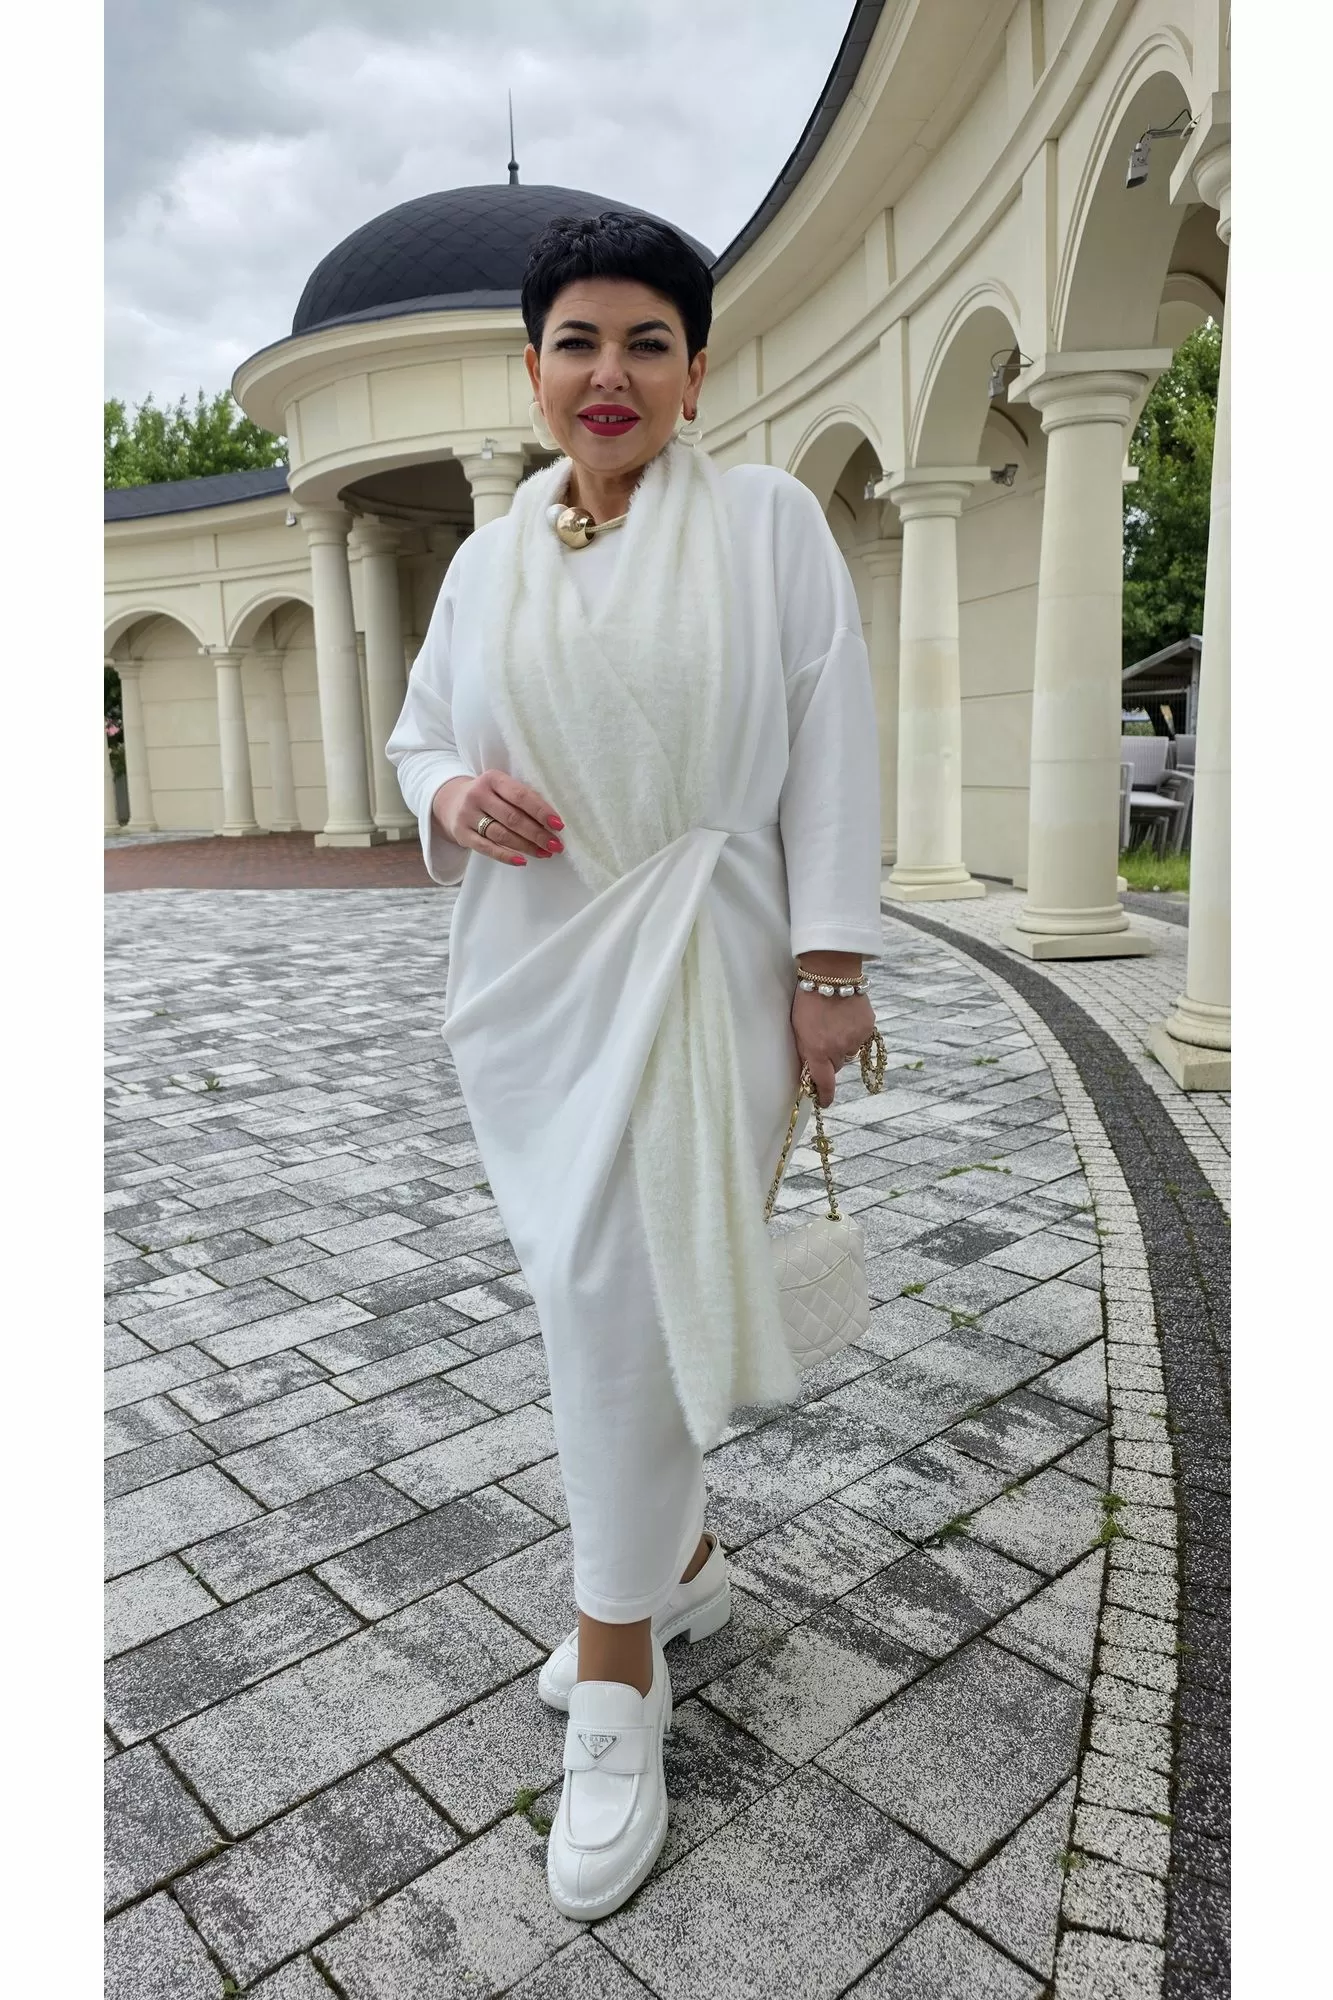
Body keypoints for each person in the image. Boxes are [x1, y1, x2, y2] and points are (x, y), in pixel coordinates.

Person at [387, 209, 882, 1919]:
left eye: (648, 342)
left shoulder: (766, 524)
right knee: (588, 1283)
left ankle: (618, 1666)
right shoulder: (489, 562)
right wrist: (452, 793)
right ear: (532, 372)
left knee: (621, 1289)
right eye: (579, 342)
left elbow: (830, 733)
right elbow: (421, 731)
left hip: (709, 961)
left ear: (696, 369)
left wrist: (831, 965)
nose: (612, 374)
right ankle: (683, 1562)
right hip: (537, 976)